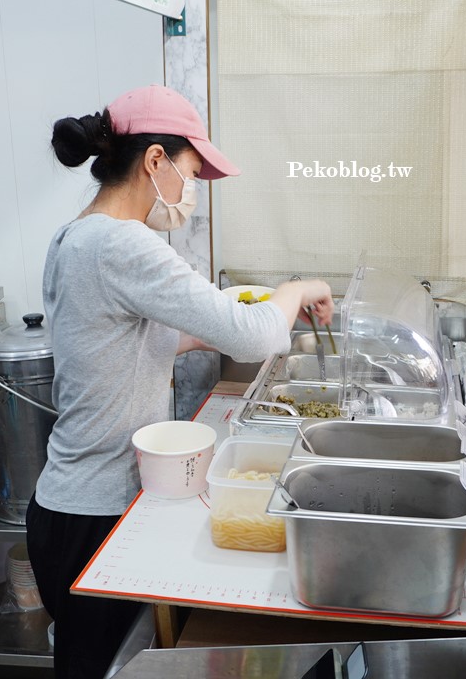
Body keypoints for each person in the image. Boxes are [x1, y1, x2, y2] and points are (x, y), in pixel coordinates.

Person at [25, 84, 334, 679]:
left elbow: (136, 342)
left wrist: (236, 309)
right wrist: (296, 290)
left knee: (101, 663)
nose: (191, 193)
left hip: (69, 506)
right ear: (155, 161)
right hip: (93, 516)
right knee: (103, 668)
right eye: (191, 173)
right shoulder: (121, 243)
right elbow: (249, 338)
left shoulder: (76, 236)